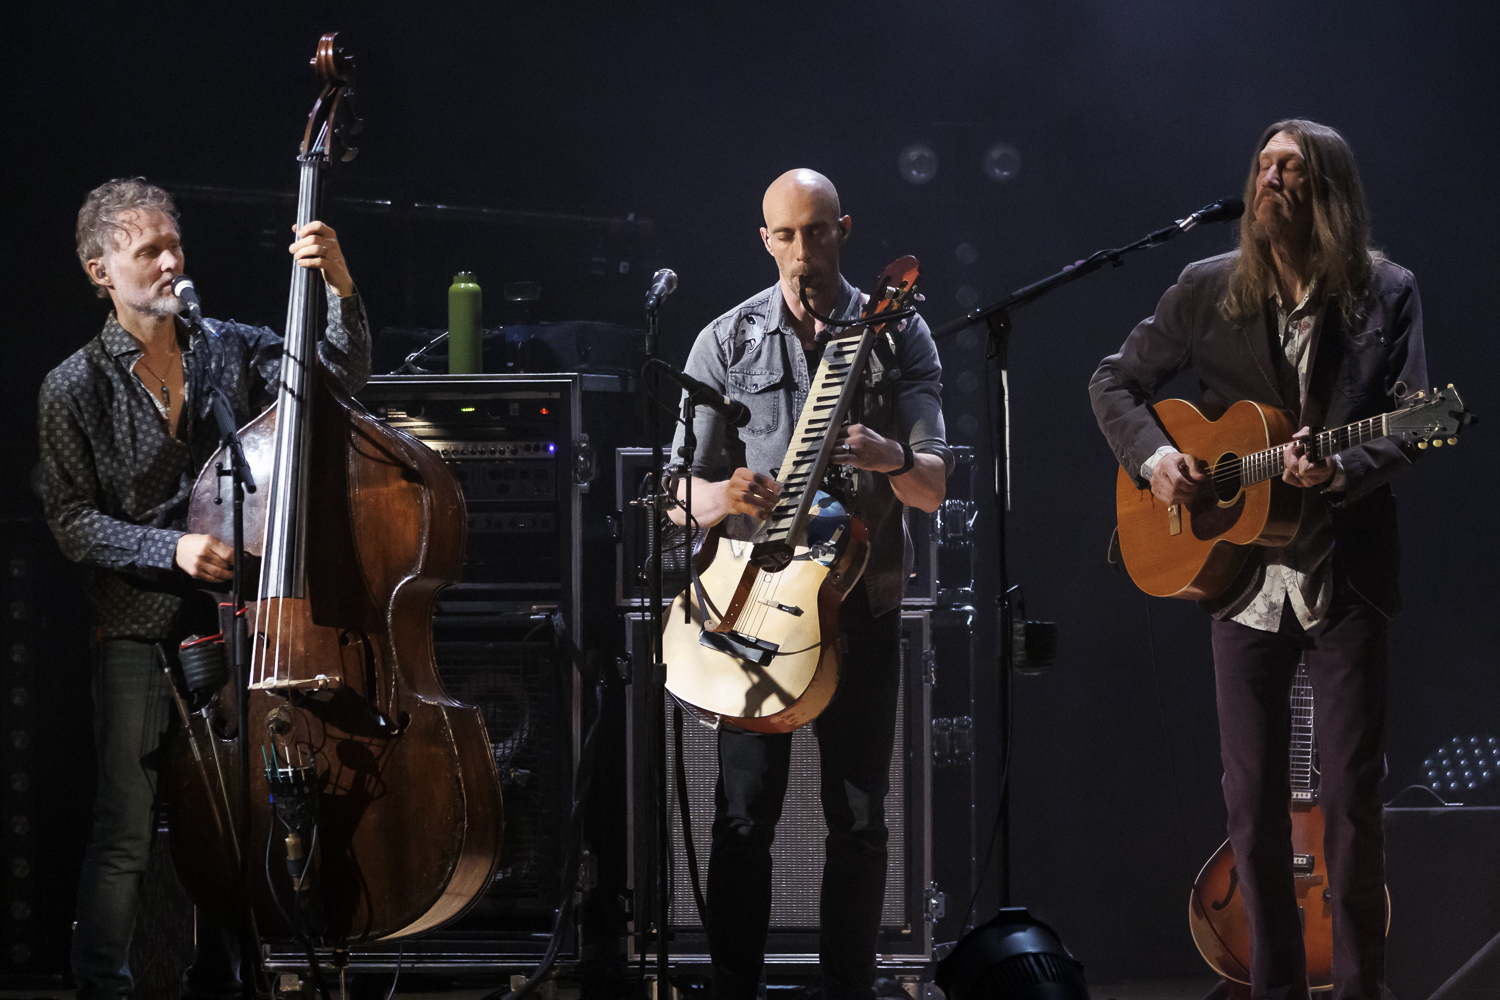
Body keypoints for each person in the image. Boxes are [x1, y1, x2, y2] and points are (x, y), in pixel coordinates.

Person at [1090, 121, 1426, 999]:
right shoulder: (1209, 287)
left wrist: (1340, 469)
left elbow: (1413, 423)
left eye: (1293, 168)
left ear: (1330, 190)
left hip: (1344, 573)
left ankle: (1360, 988)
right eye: (1265, 165)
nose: (1272, 179)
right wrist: (1156, 459)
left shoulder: (1385, 293)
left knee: (1351, 798)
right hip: (1239, 580)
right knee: (1249, 802)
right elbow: (1113, 380)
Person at [36, 177, 370, 1000]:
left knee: (235, 809)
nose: (169, 263)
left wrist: (339, 287)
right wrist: (172, 546)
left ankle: (225, 979)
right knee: (126, 823)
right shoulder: (73, 386)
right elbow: (71, 523)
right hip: (138, 625)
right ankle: (102, 986)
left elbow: (335, 382)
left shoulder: (227, 348)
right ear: (100, 271)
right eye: (148, 251)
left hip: (235, 619)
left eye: (174, 246)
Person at [667, 168, 951, 1000]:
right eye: (786, 236)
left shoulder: (898, 332)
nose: (803, 252)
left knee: (858, 820)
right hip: (754, 614)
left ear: (843, 230)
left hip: (859, 608)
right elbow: (676, 495)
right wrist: (723, 495)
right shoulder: (725, 341)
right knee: (743, 817)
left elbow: (933, 486)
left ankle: (848, 990)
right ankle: (735, 988)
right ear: (765, 241)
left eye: (817, 232)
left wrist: (891, 457)